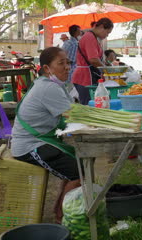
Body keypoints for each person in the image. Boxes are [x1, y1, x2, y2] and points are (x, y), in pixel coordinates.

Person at [11, 47, 80, 223]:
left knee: (77, 164)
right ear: (47, 68)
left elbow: (72, 113)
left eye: (68, 62)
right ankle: (65, 218)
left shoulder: (52, 84)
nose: (67, 67)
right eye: (61, 63)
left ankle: (59, 211)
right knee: (80, 173)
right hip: (30, 146)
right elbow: (74, 116)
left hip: (40, 141)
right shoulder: (49, 88)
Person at [72, 17, 114, 105]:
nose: (107, 35)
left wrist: (105, 64)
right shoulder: (89, 37)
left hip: (88, 76)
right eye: (107, 32)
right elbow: (93, 60)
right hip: (85, 77)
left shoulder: (94, 38)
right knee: (88, 104)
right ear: (101, 27)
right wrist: (106, 69)